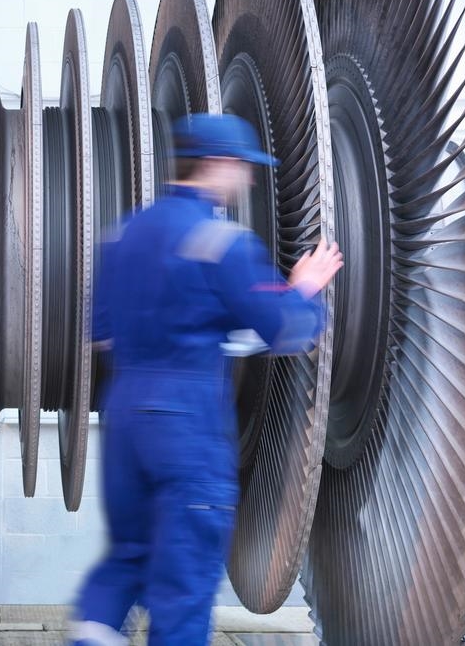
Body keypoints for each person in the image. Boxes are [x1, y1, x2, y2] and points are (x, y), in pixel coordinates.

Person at [70, 113, 343, 645]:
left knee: (128, 557)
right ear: (216, 164)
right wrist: (304, 289)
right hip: (186, 426)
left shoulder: (121, 237)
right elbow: (285, 329)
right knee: (185, 579)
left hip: (125, 416)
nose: (250, 181)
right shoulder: (221, 242)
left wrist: (193, 330)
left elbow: (100, 334)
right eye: (244, 168)